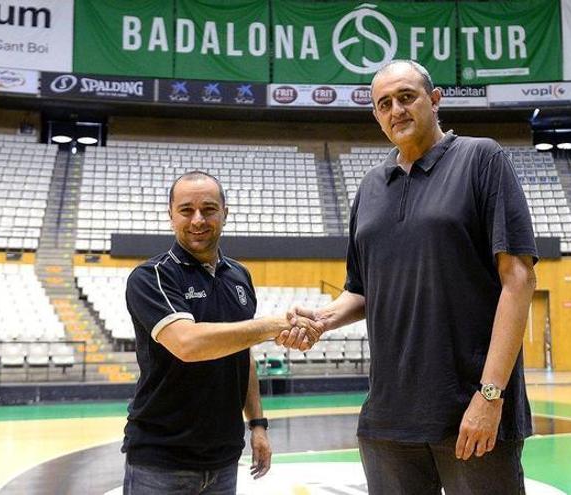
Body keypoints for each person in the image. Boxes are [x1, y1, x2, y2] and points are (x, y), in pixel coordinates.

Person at [281, 60, 538, 494]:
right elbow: (361, 290)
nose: (396, 110)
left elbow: (519, 280)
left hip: (471, 414)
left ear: (435, 101)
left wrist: (490, 396)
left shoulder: (482, 158)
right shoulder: (369, 189)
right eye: (384, 104)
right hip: (388, 420)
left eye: (406, 97)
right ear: (377, 116)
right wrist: (322, 319)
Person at [122, 171, 322, 494]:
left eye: (209, 209)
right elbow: (187, 344)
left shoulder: (240, 276)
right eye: (186, 210)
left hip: (224, 460)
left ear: (225, 214)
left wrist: (257, 425)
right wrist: (275, 325)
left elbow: (243, 353)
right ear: (171, 215)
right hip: (160, 462)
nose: (198, 220)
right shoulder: (151, 278)